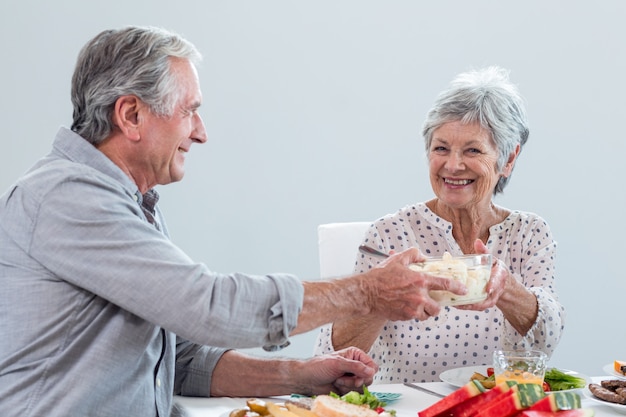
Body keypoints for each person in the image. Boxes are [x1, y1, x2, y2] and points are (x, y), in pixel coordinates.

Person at [0, 26, 467, 417]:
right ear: (131, 114)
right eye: (190, 111)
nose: (201, 133)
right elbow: (207, 306)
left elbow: (177, 360)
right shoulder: (68, 197)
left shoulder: (126, 200)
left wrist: (302, 375)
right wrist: (367, 290)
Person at [314, 66, 565, 383]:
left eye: (472, 150)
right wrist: (378, 297)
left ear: (508, 158)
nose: (453, 165)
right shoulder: (390, 233)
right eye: (441, 148)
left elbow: (547, 342)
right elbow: (330, 358)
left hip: (499, 406)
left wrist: (509, 291)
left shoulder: (529, 233)